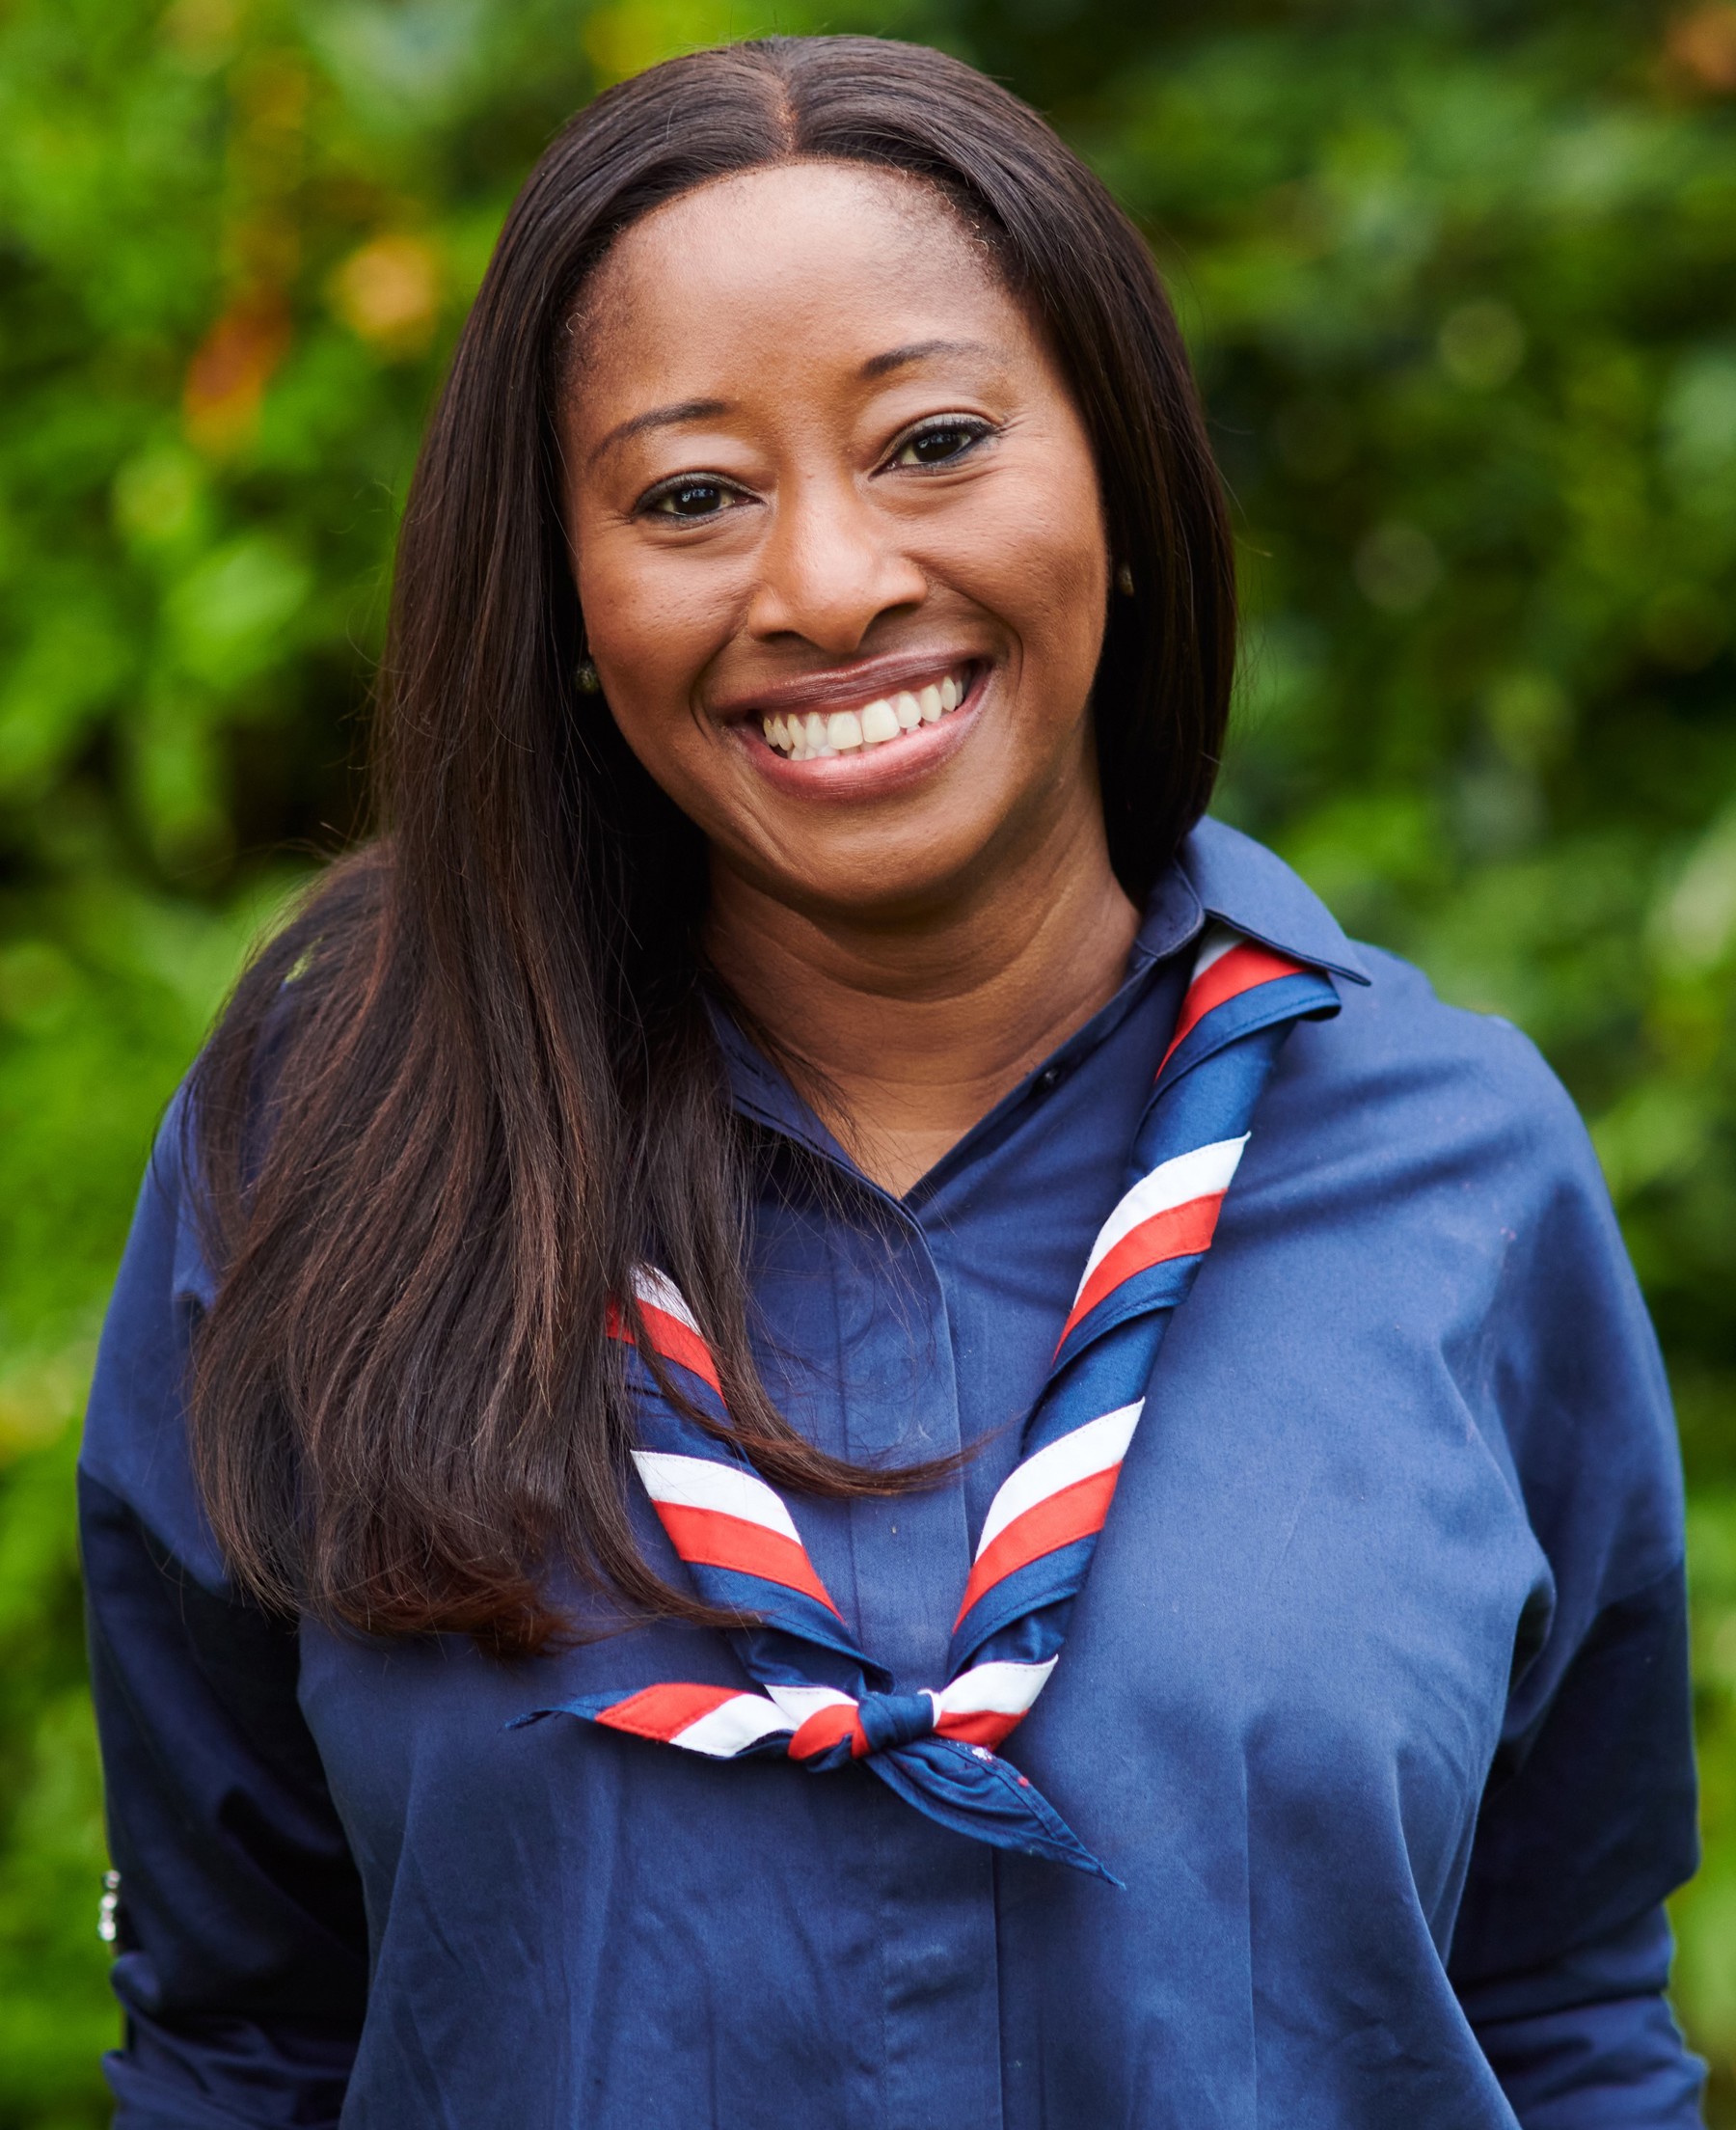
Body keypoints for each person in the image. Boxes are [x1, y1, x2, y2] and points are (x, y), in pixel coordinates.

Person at [79, 34, 1703, 2129]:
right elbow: (242, 2041)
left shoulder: (1453, 1173)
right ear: (566, 598)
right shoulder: (325, 1158)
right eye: (690, 496)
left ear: (1119, 481)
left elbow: (1563, 2023)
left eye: (933, 441)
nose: (829, 584)